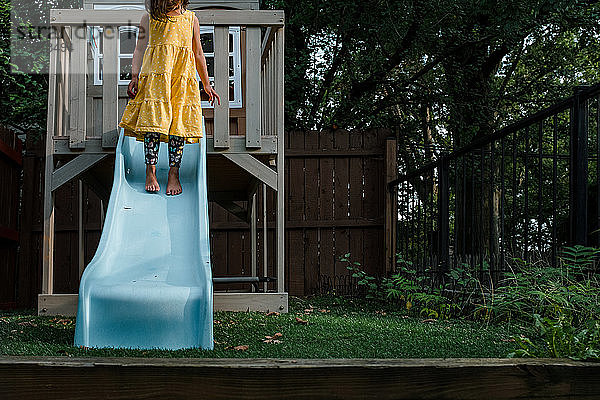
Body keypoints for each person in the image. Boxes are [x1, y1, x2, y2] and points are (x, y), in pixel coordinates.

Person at [118, 0, 220, 195]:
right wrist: (134, 76)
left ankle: (174, 173)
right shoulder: (149, 18)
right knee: (153, 124)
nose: (170, 4)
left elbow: (198, 53)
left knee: (178, 128)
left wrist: (206, 84)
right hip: (156, 80)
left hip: (181, 80)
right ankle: (151, 171)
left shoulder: (191, 19)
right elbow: (139, 49)